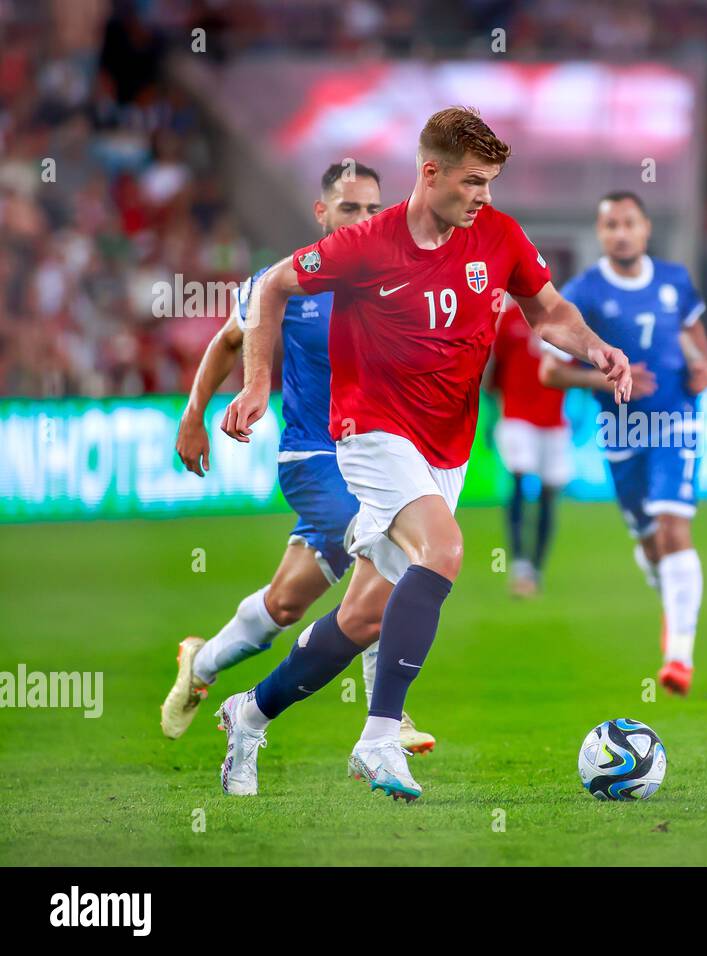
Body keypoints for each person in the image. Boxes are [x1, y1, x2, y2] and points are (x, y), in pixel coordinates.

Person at [216, 106, 632, 801]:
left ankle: (249, 714)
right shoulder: (367, 244)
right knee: (444, 550)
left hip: (446, 449)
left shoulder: (497, 236)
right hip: (373, 432)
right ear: (429, 172)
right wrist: (258, 382)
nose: (484, 197)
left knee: (361, 620)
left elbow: (549, 311)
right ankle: (380, 739)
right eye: (473, 181)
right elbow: (271, 285)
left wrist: (595, 347)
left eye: (492, 182)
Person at [162, 161, 435, 754]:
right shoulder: (285, 282)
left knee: (286, 604)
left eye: (372, 209)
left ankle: (201, 663)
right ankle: (390, 716)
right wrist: (193, 415)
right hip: (313, 458)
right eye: (348, 208)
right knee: (389, 543)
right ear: (322, 213)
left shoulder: (396, 282)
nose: (362, 219)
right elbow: (227, 341)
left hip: (378, 457)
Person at [540, 191, 707, 696]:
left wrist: (703, 368)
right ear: (600, 234)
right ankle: (672, 602)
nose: (620, 232)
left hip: (676, 420)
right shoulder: (585, 293)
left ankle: (679, 655)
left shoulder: (674, 280)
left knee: (674, 527)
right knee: (649, 539)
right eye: (611, 224)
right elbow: (550, 371)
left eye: (628, 223)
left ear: (645, 229)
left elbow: (695, 341)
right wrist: (611, 378)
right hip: (621, 431)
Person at [488, 299, 570, 596]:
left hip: (554, 421)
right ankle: (519, 564)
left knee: (549, 493)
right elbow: (493, 369)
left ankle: (536, 568)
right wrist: (491, 413)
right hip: (516, 416)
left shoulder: (564, 319)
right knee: (520, 478)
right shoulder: (509, 319)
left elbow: (574, 366)